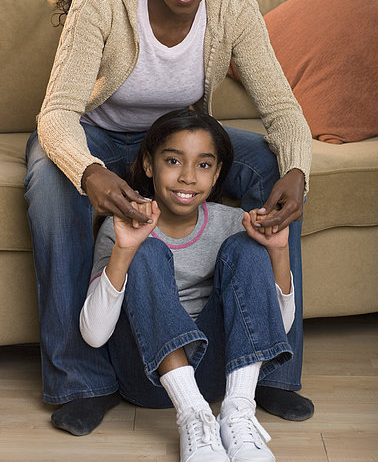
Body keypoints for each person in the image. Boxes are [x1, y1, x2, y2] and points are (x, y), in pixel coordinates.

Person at [24, 0, 313, 437]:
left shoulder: (232, 5)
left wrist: (299, 170)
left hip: (173, 144)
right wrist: (88, 172)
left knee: (277, 170)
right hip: (94, 136)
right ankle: (82, 382)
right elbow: (57, 112)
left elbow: (281, 106)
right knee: (53, 186)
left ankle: (275, 367)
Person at [80, 108, 295, 462]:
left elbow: (275, 329)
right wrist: (125, 250)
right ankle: (193, 415)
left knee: (249, 245)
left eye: (204, 165)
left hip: (218, 378)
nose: (188, 178)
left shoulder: (233, 223)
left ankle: (238, 413)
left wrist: (278, 251)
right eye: (173, 161)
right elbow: (94, 335)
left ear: (218, 173)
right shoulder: (120, 226)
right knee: (145, 250)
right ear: (149, 165)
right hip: (147, 378)